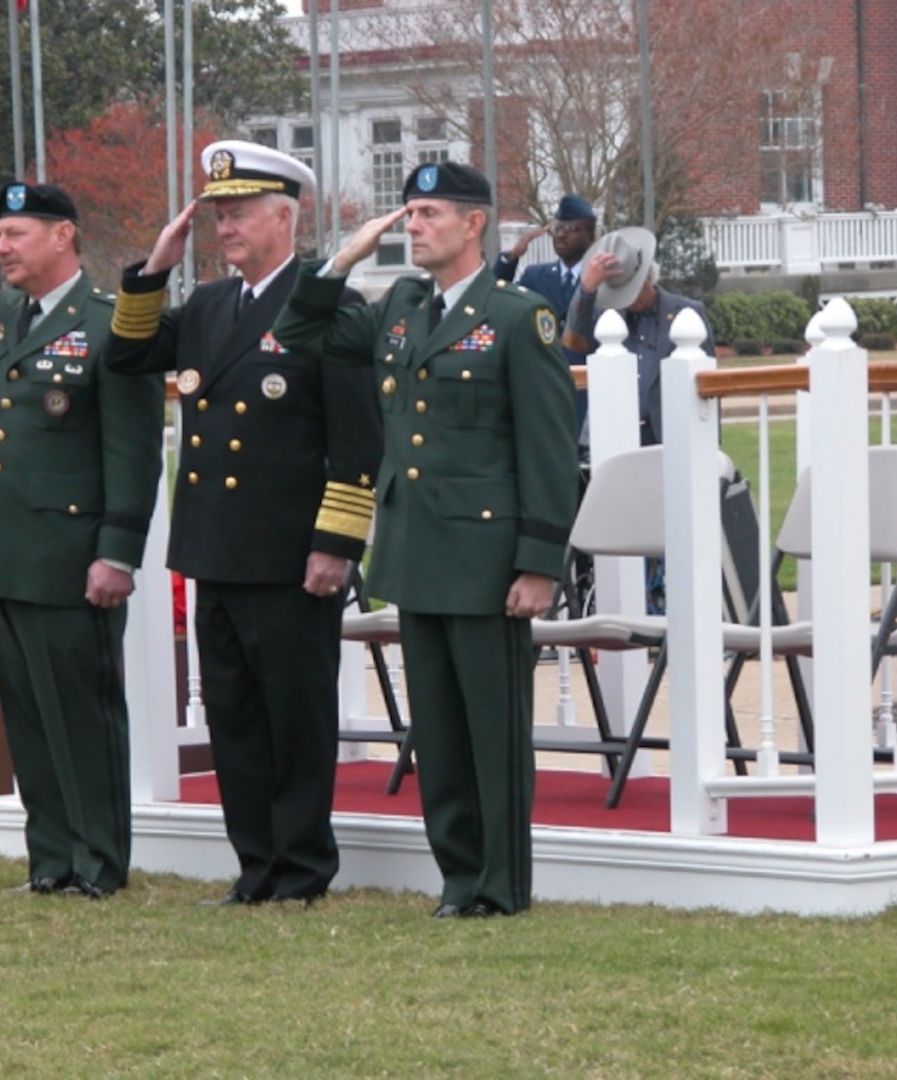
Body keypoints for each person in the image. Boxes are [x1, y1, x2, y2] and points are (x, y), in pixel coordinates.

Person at [271, 162, 579, 918]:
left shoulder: (517, 318)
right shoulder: (402, 307)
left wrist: (539, 564)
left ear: (474, 224)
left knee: (492, 732)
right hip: (413, 552)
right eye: (407, 213)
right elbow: (296, 332)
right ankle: (457, 879)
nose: (412, 226)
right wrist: (341, 261)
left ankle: (500, 886)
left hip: (485, 558)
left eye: (429, 213)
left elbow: (548, 451)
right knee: (437, 733)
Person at [104, 140, 382, 907]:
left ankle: (300, 869)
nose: (223, 227)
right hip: (216, 547)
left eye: (238, 213)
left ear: (284, 217)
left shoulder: (329, 305)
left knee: (295, 717)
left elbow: (358, 439)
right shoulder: (210, 307)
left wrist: (335, 545)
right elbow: (127, 355)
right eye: (217, 214)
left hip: (292, 555)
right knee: (233, 717)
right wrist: (154, 268)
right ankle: (255, 866)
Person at [0, 181, 165, 899]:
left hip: (70, 555)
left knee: (81, 715)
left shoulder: (110, 324)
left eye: (17, 234)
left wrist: (117, 552)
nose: (2, 248)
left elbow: (135, 451)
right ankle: (50, 861)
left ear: (64, 237)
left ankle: (99, 865)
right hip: (1, 550)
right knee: (29, 718)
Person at [562, 225, 715, 614]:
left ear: (647, 277)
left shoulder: (686, 313)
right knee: (621, 534)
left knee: (673, 534)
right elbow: (573, 343)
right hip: (613, 444)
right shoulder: (603, 315)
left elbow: (709, 389)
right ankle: (623, 606)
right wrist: (587, 288)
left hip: (667, 440)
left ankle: (669, 605)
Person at [493, 193, 598, 434]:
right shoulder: (536, 276)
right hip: (543, 387)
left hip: (587, 390)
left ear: (590, 236)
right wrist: (510, 259)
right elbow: (493, 298)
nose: (561, 234)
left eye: (571, 229)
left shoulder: (601, 279)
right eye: (558, 228)